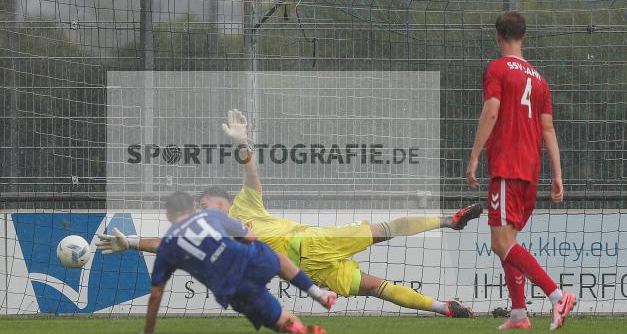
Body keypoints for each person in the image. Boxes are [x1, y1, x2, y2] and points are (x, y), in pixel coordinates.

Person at [197, 110, 481, 318]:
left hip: (309, 244)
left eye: (204, 203)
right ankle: (444, 308)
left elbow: (251, 171)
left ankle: (449, 221)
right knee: (375, 287)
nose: (202, 210)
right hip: (309, 270)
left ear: (219, 199)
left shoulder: (243, 205)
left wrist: (241, 143)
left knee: (382, 232)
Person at [466, 10, 577, 330]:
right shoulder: (539, 79)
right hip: (531, 170)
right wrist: (557, 174)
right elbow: (548, 130)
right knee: (508, 240)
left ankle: (558, 296)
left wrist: (474, 156)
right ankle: (518, 314)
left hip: (507, 166)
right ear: (524, 36)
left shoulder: (498, 69)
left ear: (498, 36)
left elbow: (491, 111)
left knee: (501, 243)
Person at [101, 191, 336, 334]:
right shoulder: (212, 215)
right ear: (193, 209)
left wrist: (148, 332)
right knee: (276, 257)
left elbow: (155, 294)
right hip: (251, 261)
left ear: (168, 216)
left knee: (279, 321)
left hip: (233, 287)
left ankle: (294, 327)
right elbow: (251, 238)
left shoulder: (170, 244)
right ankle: (319, 294)